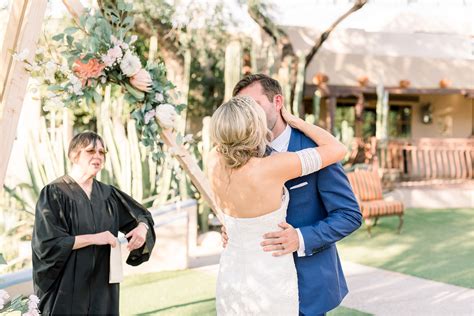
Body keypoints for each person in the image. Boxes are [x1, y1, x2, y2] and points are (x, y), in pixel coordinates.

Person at [221, 74, 363, 315]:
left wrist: (301, 238)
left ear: (278, 102)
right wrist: (234, 227)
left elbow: (349, 215)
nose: (247, 114)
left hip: (307, 287)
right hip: (259, 286)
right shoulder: (242, 156)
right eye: (242, 107)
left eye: (253, 105)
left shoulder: (318, 151)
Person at [32, 131, 156, 315]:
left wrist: (142, 228)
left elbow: (142, 215)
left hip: (102, 288)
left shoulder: (108, 194)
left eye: (101, 152)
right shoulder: (54, 194)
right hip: (66, 290)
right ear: (74, 155)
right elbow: (48, 243)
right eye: (91, 151)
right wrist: (96, 238)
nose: (98, 156)